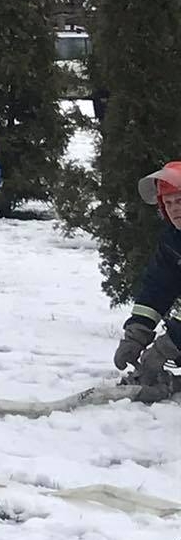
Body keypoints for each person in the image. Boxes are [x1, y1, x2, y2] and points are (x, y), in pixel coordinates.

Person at [112, 161, 181, 397]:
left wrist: (166, 347)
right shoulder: (173, 241)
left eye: (180, 201)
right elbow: (157, 288)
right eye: (168, 203)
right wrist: (137, 333)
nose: (174, 209)